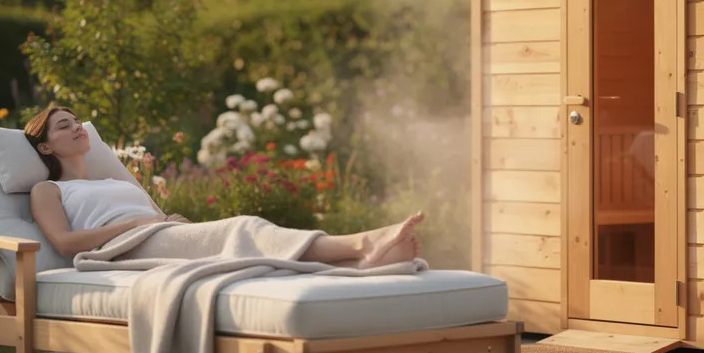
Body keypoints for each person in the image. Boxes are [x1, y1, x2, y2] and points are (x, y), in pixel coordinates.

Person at [24, 105, 422, 269]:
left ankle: (354, 262)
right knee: (242, 228)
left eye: (77, 121)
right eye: (64, 125)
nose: (76, 127)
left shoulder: (115, 179)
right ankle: (359, 246)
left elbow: (154, 218)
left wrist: (163, 221)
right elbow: (65, 243)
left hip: (160, 232)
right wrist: (132, 227)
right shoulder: (49, 190)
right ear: (45, 146)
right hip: (125, 248)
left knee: (240, 238)